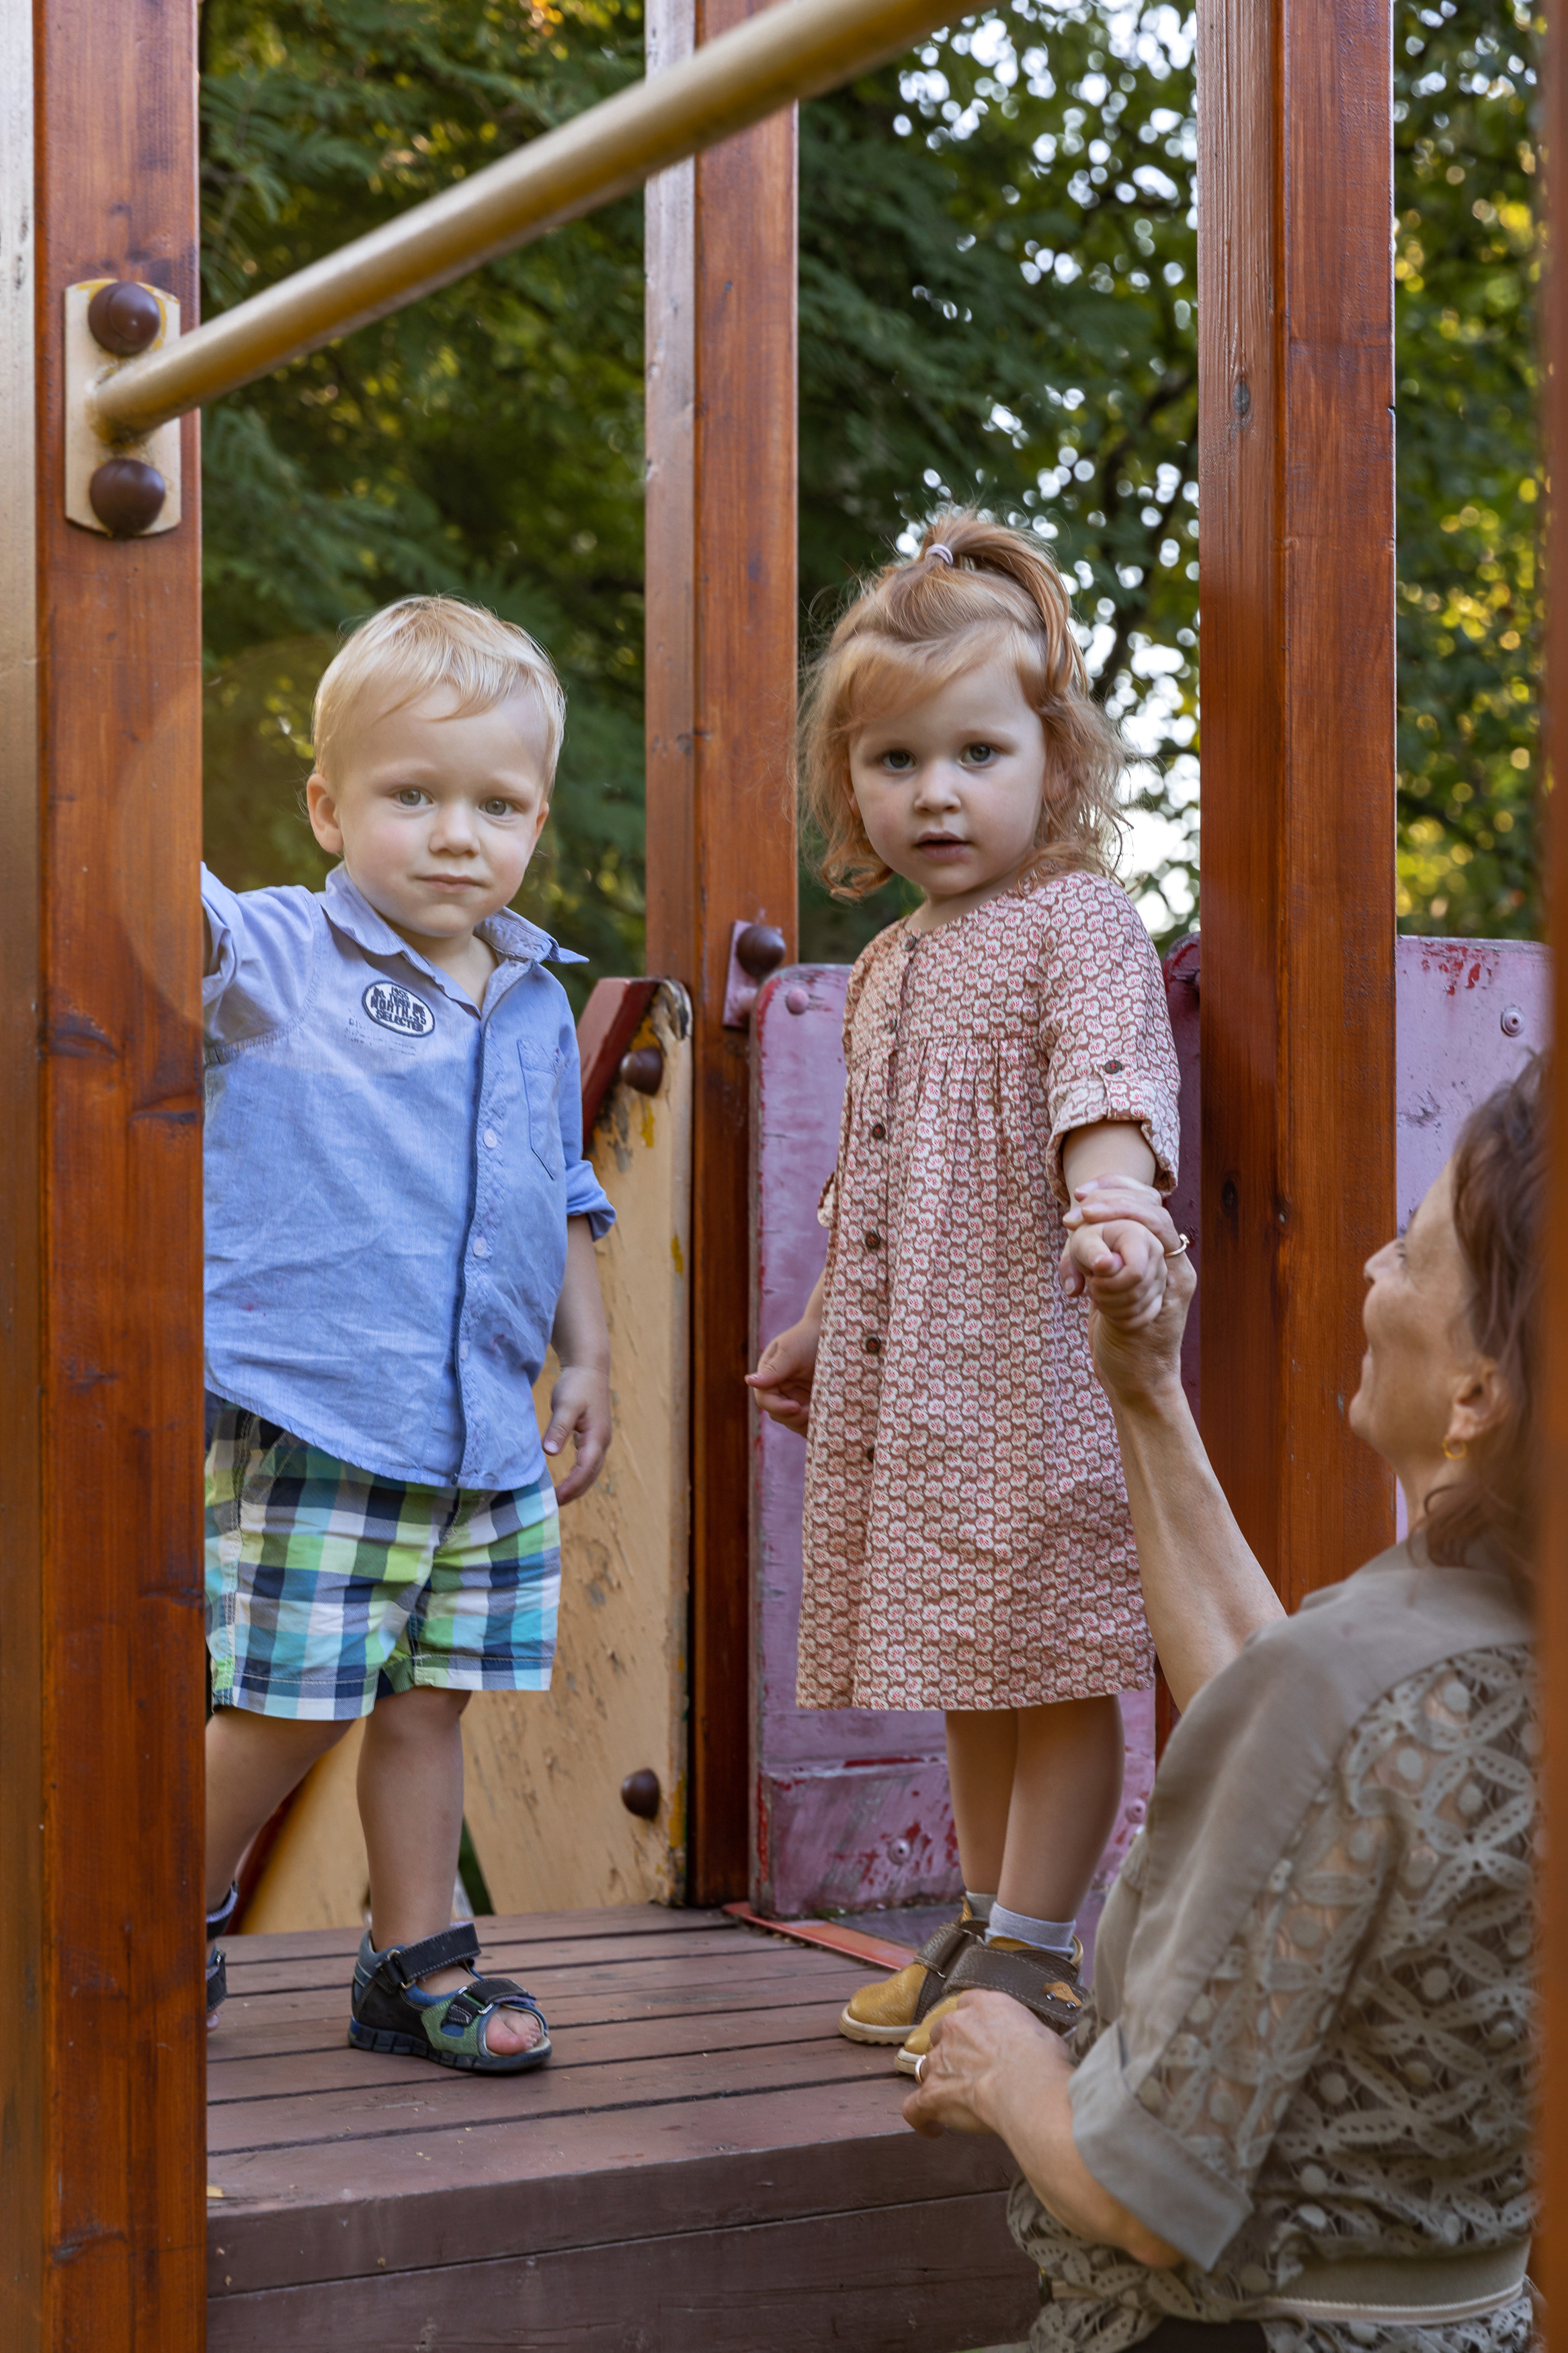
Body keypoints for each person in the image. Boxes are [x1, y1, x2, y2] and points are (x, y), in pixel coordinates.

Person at [903, 1060, 1541, 2353]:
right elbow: (1312, 1741)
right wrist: (1143, 1386)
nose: (1370, 1267)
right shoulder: (1481, 1639)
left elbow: (1138, 2197)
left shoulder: (1355, 1685)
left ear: (1477, 1395)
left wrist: (1007, 2063)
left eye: (1411, 1256)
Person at [747, 512, 1181, 2070]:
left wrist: (1116, 1201)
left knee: (1052, 1650)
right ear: (848, 782)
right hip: (915, 1362)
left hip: (1036, 1346)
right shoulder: (885, 964)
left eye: (976, 753)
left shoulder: (1075, 921)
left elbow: (1107, 1084)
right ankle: (989, 1915)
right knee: (964, 1650)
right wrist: (812, 1319)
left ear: (1053, 768)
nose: (935, 793)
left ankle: (1044, 1949)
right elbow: (865, 1172)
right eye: (895, 760)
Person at [201, 596, 615, 2075]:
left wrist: (588, 1353)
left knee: (431, 1702)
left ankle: (414, 1958)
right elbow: (142, 899)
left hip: (480, 1430)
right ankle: (139, 1916)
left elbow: (561, 1183)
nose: (456, 834)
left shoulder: (534, 1000)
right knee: (280, 1704)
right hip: (324, 1406)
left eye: (495, 805)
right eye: (412, 795)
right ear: (327, 803)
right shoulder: (276, 956)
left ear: (537, 820)